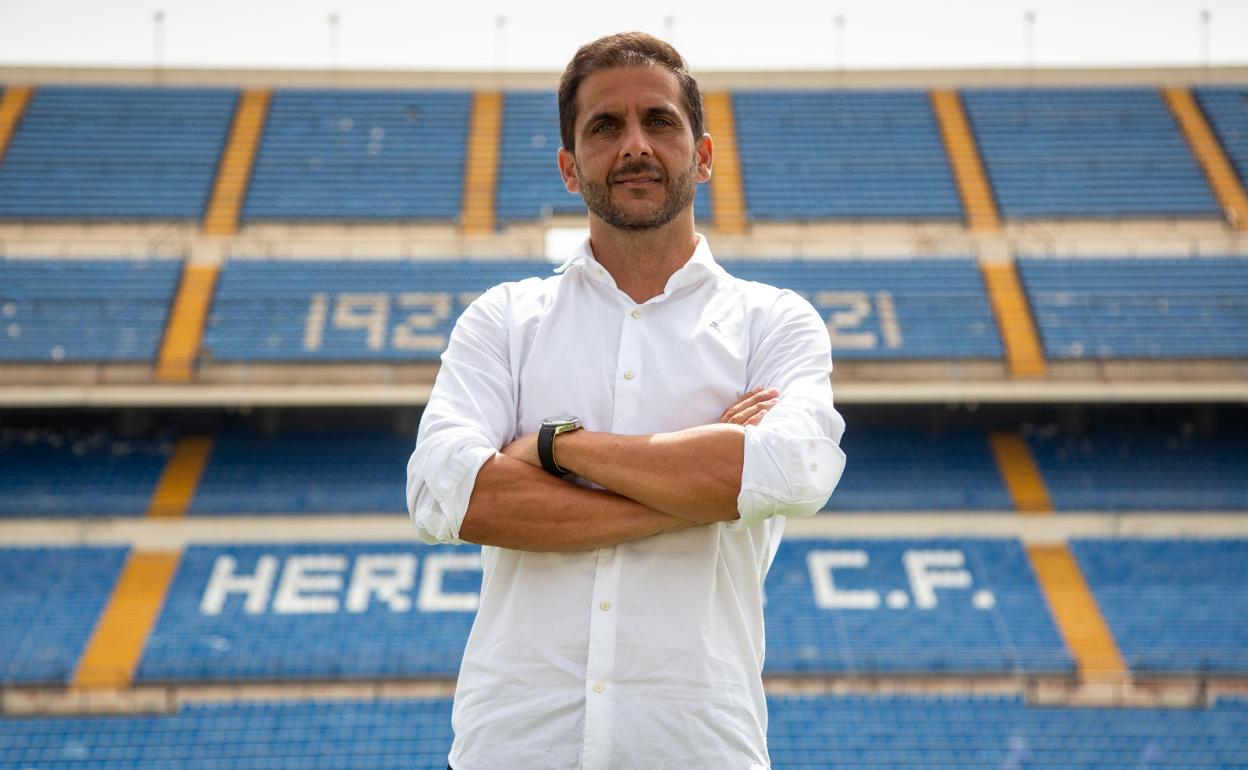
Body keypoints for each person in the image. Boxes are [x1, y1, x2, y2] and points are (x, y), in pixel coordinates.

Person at [406, 31, 846, 770]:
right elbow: (446, 493)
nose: (635, 144)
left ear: (701, 155)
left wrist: (554, 448)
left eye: (660, 121)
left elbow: (793, 471)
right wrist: (705, 482)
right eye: (605, 127)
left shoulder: (773, 320)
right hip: (516, 747)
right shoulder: (504, 319)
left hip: (697, 748)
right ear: (570, 169)